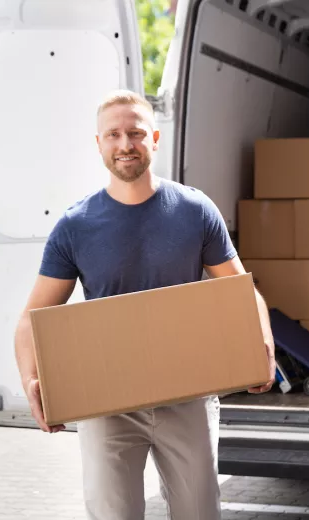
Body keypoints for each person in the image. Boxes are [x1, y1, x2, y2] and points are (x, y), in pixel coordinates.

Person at [14, 89, 276, 519]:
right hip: (106, 402)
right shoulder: (75, 225)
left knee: (199, 512)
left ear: (154, 138)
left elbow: (241, 290)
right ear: (98, 143)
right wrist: (31, 380)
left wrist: (262, 343)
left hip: (187, 394)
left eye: (135, 133)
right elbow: (32, 318)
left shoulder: (194, 209)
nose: (125, 145)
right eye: (113, 134)